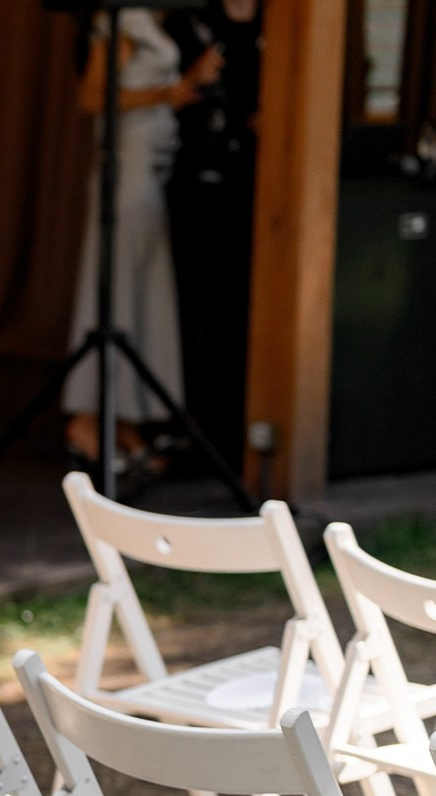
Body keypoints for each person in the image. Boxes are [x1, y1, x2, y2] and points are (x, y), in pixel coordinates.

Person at [60, 8, 221, 473]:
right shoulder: (121, 20)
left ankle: (124, 418)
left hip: (152, 167)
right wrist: (166, 92)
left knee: (142, 295)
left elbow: (152, 92)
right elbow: (94, 96)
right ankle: (87, 418)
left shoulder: (153, 19)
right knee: (115, 290)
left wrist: (189, 80)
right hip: (126, 169)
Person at [166, 0, 261, 465]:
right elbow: (167, 94)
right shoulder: (189, 22)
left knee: (241, 306)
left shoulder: (276, 26)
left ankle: (236, 427)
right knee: (193, 304)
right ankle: (189, 426)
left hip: (256, 185)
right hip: (195, 177)